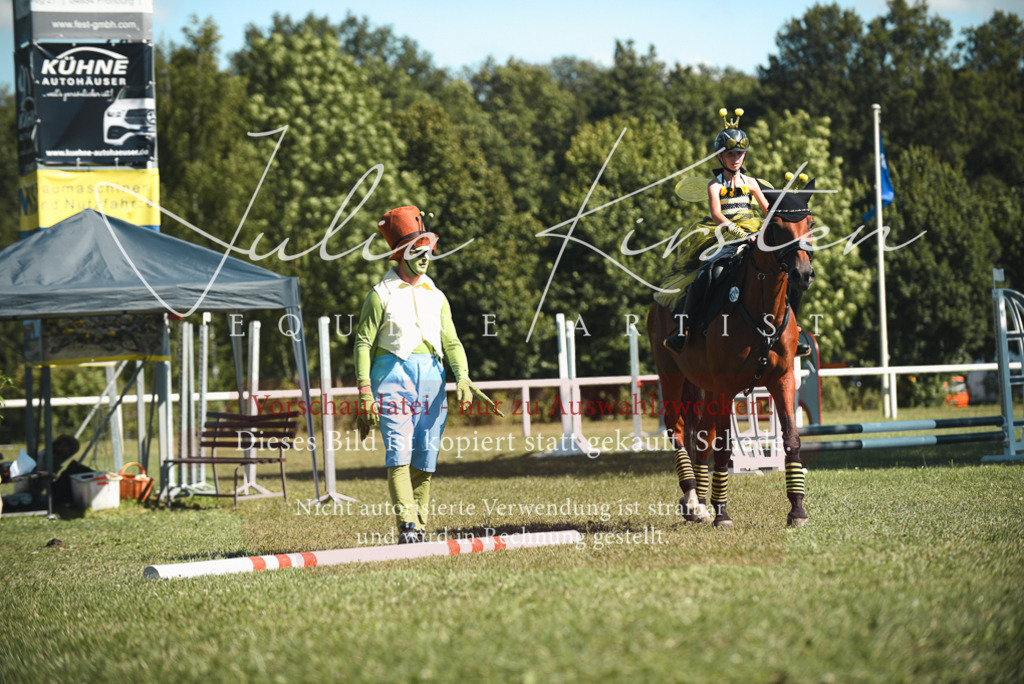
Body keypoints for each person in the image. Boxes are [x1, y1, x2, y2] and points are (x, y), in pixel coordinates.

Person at [354, 206, 501, 544]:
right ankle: (407, 525)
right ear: (400, 254)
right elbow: (362, 343)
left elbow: (452, 341)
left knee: (425, 456)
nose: (425, 257)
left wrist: (462, 376)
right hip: (392, 377)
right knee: (398, 453)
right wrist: (365, 391)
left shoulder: (437, 296)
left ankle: (419, 526)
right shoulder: (380, 295)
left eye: (428, 250)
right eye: (417, 251)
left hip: (433, 380)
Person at [659, 108, 809, 355]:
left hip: (754, 232)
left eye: (739, 153)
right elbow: (717, 215)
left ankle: (795, 330)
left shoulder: (752, 183)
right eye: (730, 154)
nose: (735, 158)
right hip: (726, 235)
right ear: (721, 156)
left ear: (744, 154)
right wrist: (740, 234)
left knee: (789, 273)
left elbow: (768, 210)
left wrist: (782, 214)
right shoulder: (714, 185)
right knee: (708, 274)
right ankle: (683, 330)